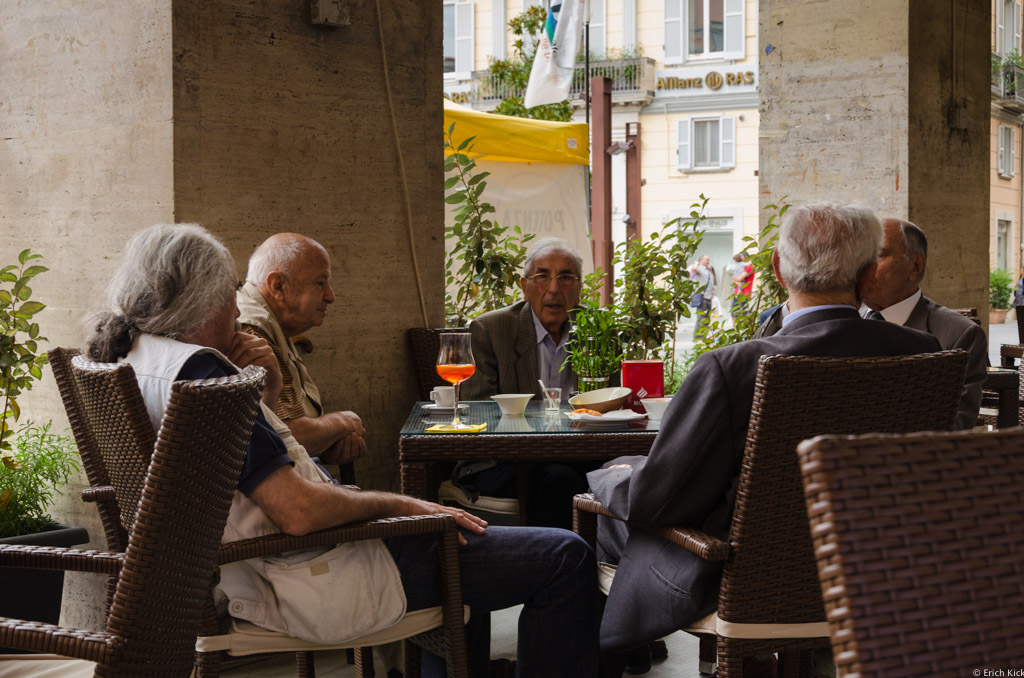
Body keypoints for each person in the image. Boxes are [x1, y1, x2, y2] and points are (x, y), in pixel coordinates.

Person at [83, 223, 599, 678]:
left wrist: (261, 397)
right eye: (229, 294)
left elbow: (233, 472)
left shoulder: (133, 358)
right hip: (312, 576)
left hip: (247, 573)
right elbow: (300, 510)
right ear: (203, 301)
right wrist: (399, 503)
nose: (237, 307)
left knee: (465, 543)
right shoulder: (202, 372)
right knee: (566, 554)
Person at [587, 204, 943, 678]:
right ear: (866, 276)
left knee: (605, 510)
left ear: (777, 269)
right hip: (875, 577)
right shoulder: (923, 357)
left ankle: (613, 657)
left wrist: (612, 477)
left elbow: (657, 501)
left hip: (746, 582)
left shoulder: (732, 367)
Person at [456, 237, 594, 530]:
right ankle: (553, 564)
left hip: (581, 453)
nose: (554, 289)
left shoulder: (596, 330)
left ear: (580, 287)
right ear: (524, 286)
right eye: (542, 276)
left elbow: (613, 405)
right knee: (561, 478)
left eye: (566, 278)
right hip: (505, 460)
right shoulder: (491, 330)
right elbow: (480, 413)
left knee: (623, 471)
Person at [237, 233, 365, 467]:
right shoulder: (252, 329)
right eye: (320, 283)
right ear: (278, 286)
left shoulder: (274, 323)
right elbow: (284, 434)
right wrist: (345, 422)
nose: (331, 296)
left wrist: (326, 446)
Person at [861, 218, 989, 430]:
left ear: (916, 266)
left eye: (877, 255)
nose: (864, 268)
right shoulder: (842, 323)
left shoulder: (960, 335)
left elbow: (956, 425)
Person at [689, 254, 715, 337]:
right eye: (707, 259)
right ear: (701, 260)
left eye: (709, 259)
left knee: (707, 319)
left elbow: (713, 280)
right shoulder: (699, 268)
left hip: (709, 297)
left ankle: (703, 336)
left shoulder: (707, 270)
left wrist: (710, 270)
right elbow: (694, 269)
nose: (708, 261)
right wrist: (696, 263)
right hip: (702, 297)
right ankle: (697, 337)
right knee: (700, 319)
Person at [729, 252, 754, 317]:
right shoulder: (741, 266)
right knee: (734, 313)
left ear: (746, 257)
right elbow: (734, 281)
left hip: (744, 293)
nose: (740, 258)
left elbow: (740, 278)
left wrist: (734, 278)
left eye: (741, 257)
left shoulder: (749, 266)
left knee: (743, 314)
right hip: (737, 292)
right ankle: (736, 327)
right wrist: (736, 280)